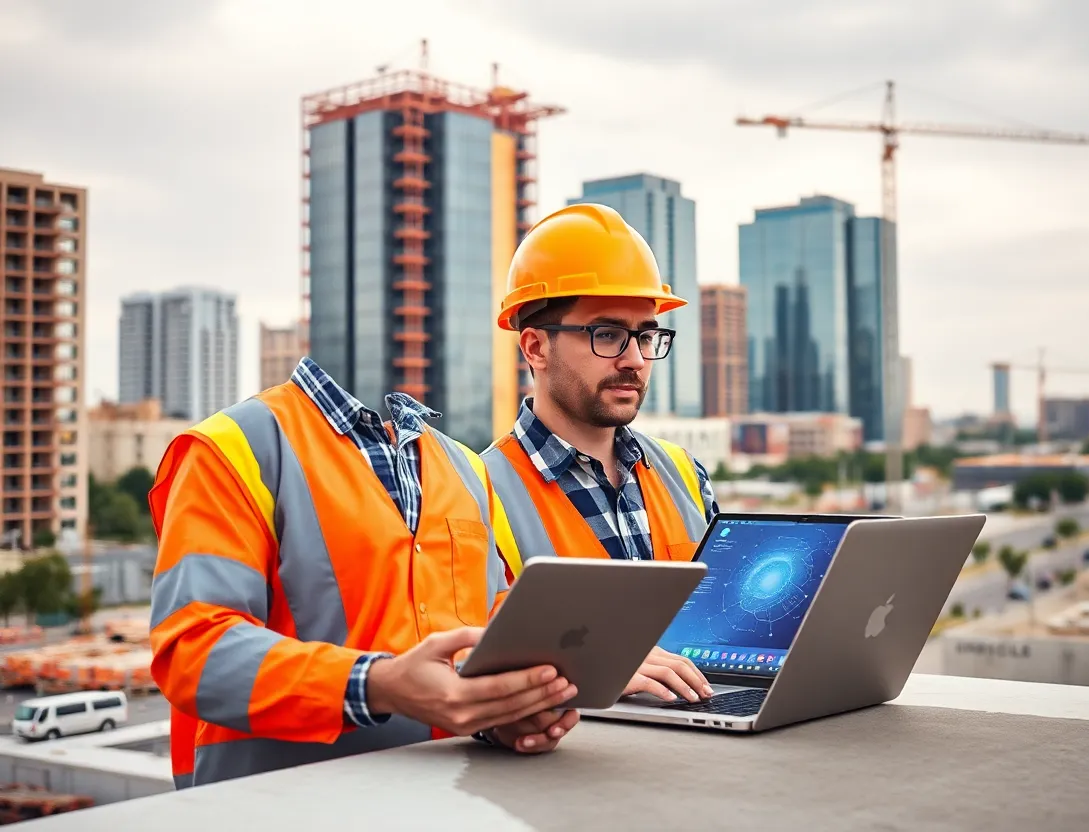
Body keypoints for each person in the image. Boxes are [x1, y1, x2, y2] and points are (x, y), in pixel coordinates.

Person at [149, 357, 580, 790]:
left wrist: (502, 713)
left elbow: (489, 628)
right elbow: (193, 650)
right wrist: (378, 685)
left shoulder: (467, 468)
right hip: (281, 806)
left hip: (447, 799)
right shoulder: (233, 447)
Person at [482, 202, 720, 704]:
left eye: (647, 334)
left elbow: (723, 626)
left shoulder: (684, 474)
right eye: (607, 334)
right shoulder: (476, 494)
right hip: (562, 766)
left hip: (702, 744)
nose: (635, 359)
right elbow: (466, 665)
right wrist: (589, 669)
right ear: (535, 348)